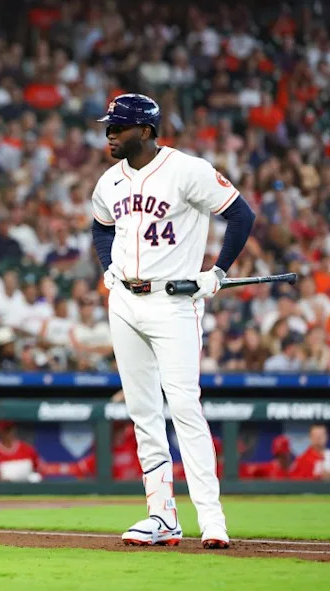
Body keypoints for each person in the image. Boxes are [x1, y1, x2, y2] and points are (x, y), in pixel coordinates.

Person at [91, 93, 256, 549]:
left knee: (184, 406)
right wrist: (107, 264)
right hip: (124, 301)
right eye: (108, 127)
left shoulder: (188, 170)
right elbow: (101, 225)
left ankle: (213, 518)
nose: (109, 135)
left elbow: (241, 214)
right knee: (143, 411)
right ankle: (161, 516)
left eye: (118, 127)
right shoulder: (109, 181)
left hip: (174, 302)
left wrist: (217, 272)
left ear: (145, 130)